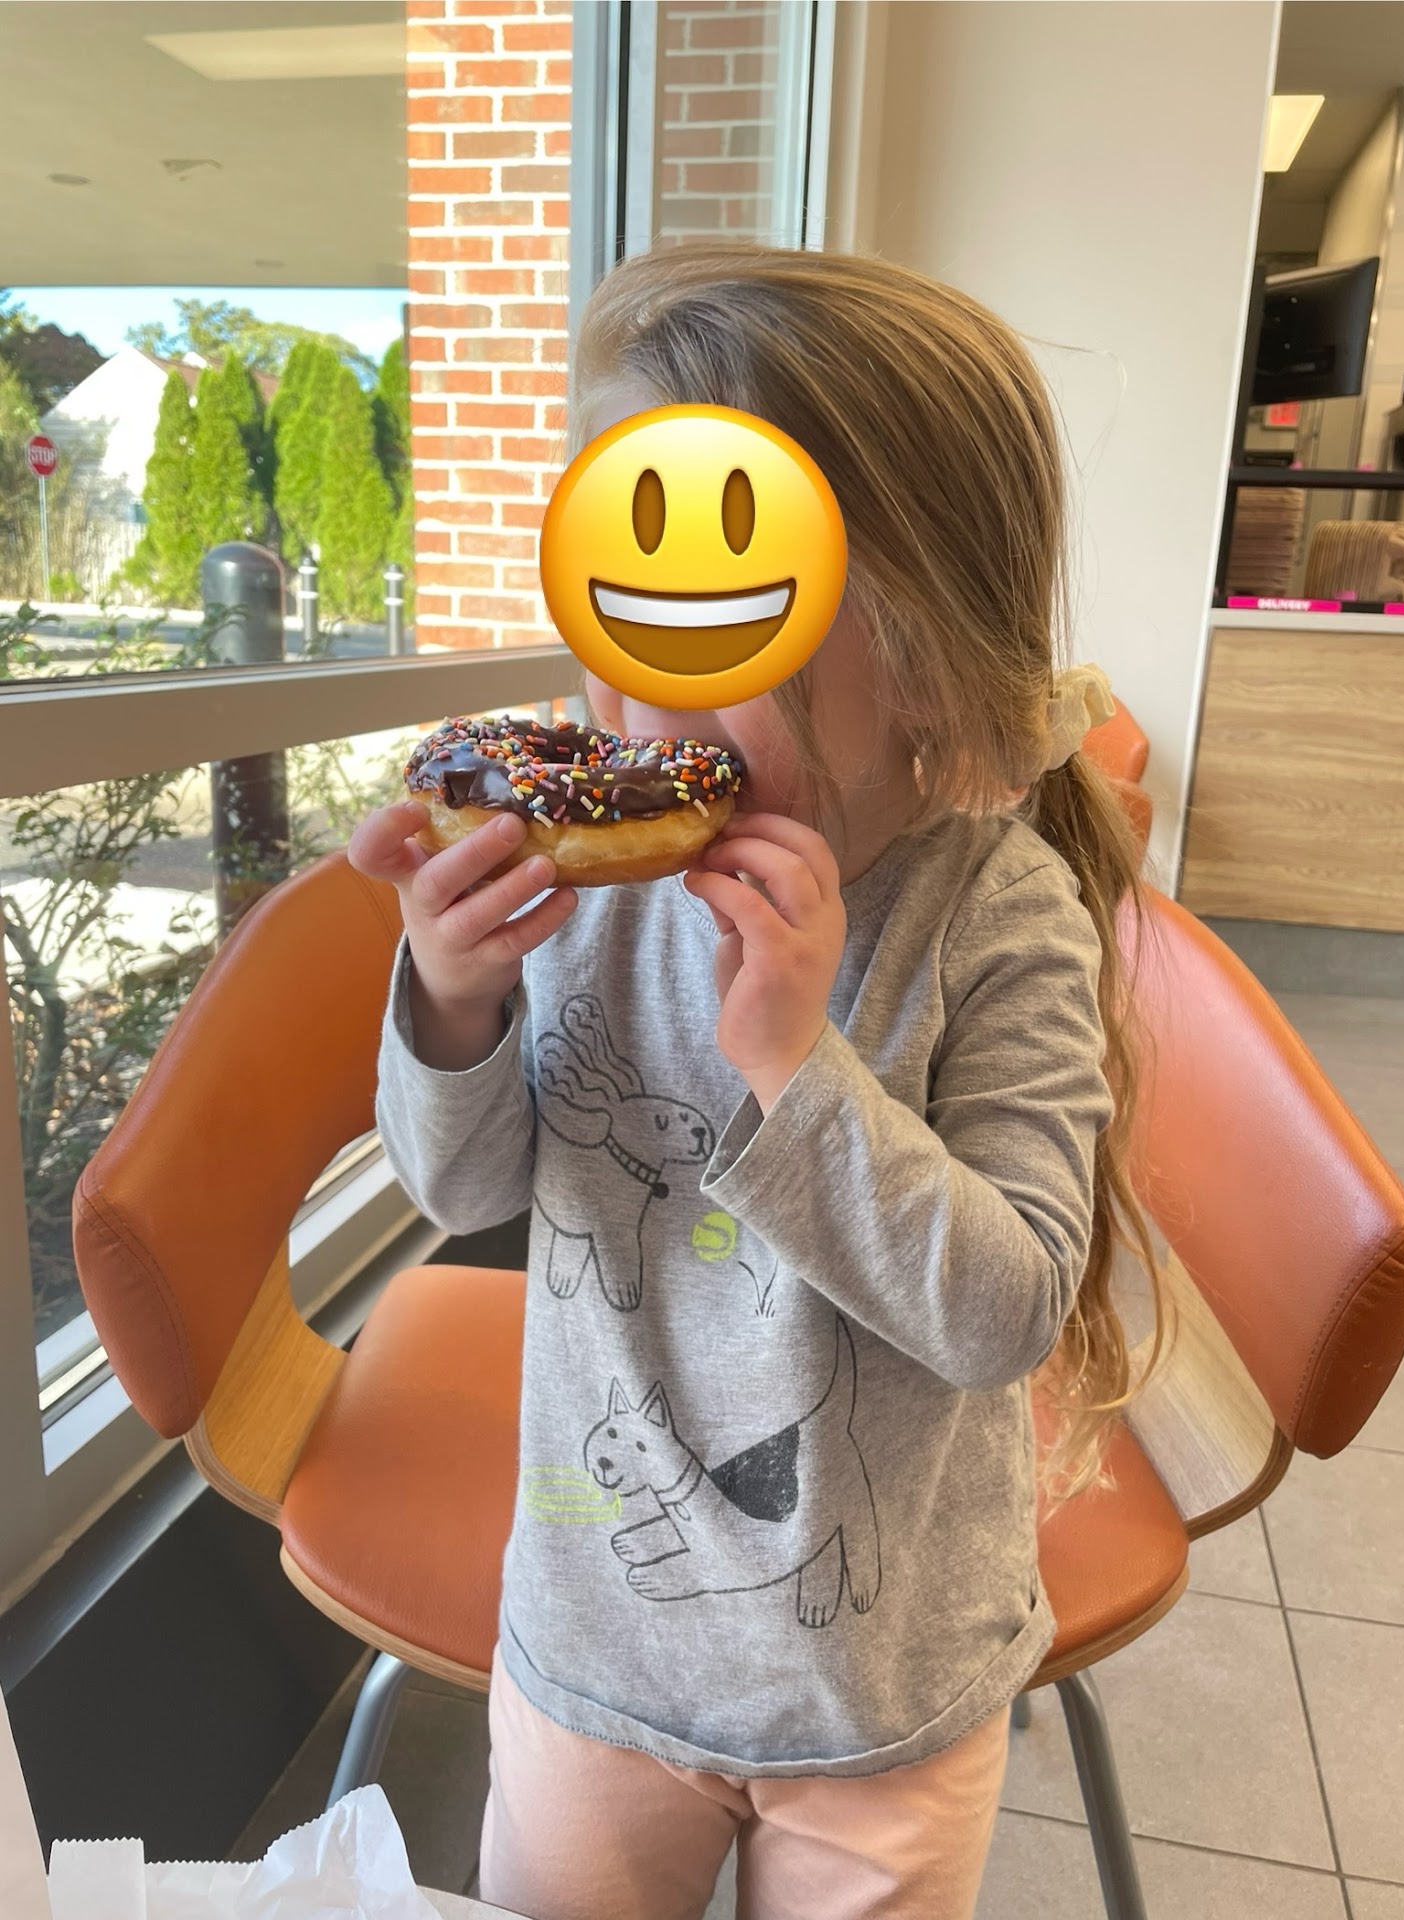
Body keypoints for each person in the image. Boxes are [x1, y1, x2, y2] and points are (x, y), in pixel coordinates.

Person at [348, 242, 1167, 1920]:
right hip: (598, 1644)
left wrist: (796, 1060)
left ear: (920, 645)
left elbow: (1005, 1309)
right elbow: (467, 1188)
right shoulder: (591, 899)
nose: (632, 689)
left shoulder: (996, 914)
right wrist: (452, 1002)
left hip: (879, 1686)